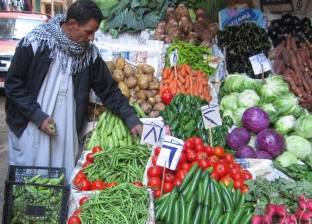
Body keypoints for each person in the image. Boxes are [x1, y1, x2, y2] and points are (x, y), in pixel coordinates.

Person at [5, 0, 143, 181]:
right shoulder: (35, 42)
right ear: (72, 25)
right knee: (31, 184)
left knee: (60, 180)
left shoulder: (90, 56)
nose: (92, 38)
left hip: (65, 131)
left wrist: (131, 118)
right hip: (30, 125)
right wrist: (38, 116)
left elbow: (109, 91)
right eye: (89, 31)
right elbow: (13, 85)